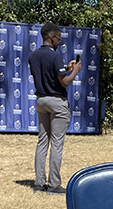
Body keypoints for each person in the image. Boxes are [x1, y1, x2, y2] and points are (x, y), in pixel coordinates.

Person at [29, 22, 82, 194]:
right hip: (57, 102)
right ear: (52, 37)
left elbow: (49, 74)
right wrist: (75, 71)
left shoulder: (33, 56)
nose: (59, 41)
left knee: (42, 142)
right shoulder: (55, 55)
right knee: (57, 144)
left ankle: (38, 183)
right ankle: (54, 185)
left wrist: (66, 68)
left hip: (41, 101)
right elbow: (64, 82)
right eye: (58, 38)